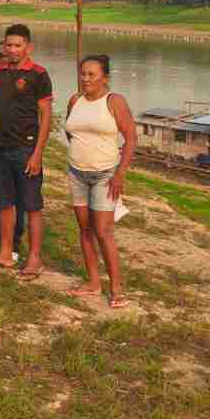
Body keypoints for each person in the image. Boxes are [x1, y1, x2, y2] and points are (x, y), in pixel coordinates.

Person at [0, 24, 53, 277]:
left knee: (31, 205)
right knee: (4, 202)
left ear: (28, 47)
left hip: (25, 149)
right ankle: (5, 254)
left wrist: (38, 152)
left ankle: (34, 258)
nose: (13, 50)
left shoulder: (39, 75)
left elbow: (46, 115)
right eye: (9, 45)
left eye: (18, 45)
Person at [64, 55, 137, 308]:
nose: (86, 79)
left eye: (91, 74)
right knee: (84, 230)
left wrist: (120, 173)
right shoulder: (75, 100)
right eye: (83, 73)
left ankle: (116, 288)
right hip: (76, 173)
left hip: (105, 175)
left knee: (103, 232)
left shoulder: (114, 101)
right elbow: (70, 130)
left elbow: (131, 139)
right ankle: (93, 283)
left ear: (105, 78)